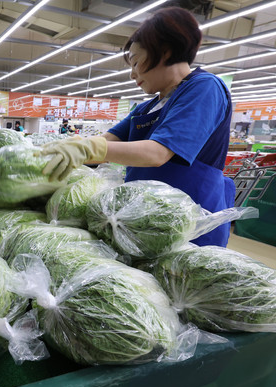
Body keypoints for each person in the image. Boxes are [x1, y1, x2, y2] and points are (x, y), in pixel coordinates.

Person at [39, 7, 234, 247]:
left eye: (136, 62)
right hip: (144, 222)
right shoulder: (146, 108)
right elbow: (108, 141)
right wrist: (59, 154)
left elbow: (158, 153)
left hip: (190, 226)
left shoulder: (204, 88)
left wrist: (88, 148)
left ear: (165, 52)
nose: (132, 74)